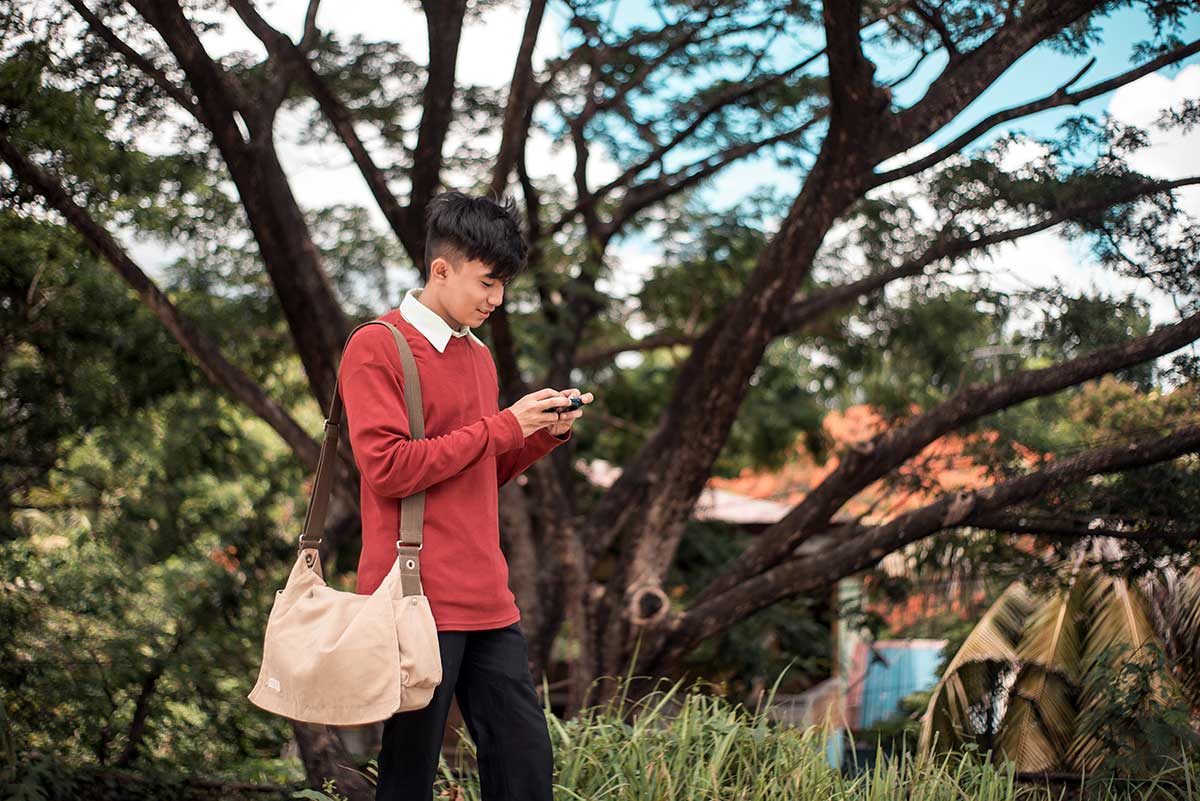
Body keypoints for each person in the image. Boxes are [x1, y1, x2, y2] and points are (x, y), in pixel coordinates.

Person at [338, 190, 592, 801]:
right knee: (410, 773)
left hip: (487, 597)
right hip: (414, 596)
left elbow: (479, 470)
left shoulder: (477, 357)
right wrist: (507, 425)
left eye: (503, 286)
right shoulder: (378, 345)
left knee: (525, 763)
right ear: (441, 270)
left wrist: (538, 436)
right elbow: (389, 469)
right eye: (486, 283)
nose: (496, 300)